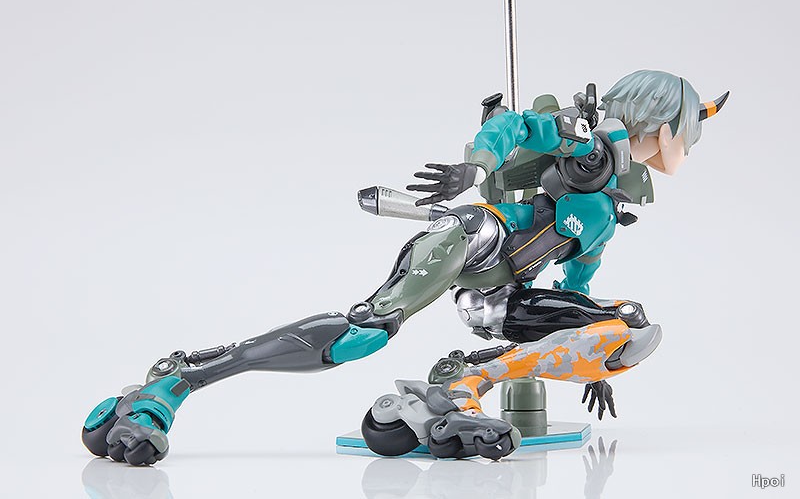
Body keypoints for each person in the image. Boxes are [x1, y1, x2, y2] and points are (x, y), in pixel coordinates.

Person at [81, 70, 727, 464]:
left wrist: (589, 351)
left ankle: (457, 385)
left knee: (626, 326)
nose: (685, 148)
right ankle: (174, 381)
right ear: (663, 122)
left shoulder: (611, 207)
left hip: (499, 296)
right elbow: (514, 127)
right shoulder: (586, 143)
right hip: (476, 237)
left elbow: (578, 282)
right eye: (685, 131)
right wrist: (476, 166)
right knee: (365, 332)